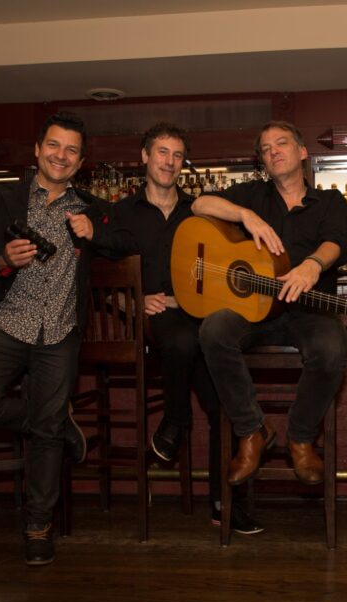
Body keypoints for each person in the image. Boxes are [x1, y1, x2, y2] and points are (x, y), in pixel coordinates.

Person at [0, 112, 131, 566]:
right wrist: (2, 258)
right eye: (54, 146)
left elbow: (125, 242)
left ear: (81, 160)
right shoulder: (1, 199)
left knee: (46, 434)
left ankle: (38, 526)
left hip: (59, 329)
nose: (61, 155)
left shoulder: (91, 207)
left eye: (71, 150)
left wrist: (98, 233)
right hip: (8, 321)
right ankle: (53, 421)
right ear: (37, 150)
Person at [110, 122, 262, 535]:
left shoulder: (199, 210)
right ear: (144, 156)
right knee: (178, 337)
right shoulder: (122, 213)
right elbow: (98, 271)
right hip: (152, 320)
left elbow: (227, 258)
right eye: (162, 152)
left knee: (222, 404)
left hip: (196, 320)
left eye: (177, 155)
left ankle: (224, 502)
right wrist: (132, 301)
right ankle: (176, 420)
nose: (169, 162)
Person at [193, 120, 347, 492]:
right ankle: (252, 431)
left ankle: (299, 437)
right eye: (265, 148)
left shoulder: (328, 201)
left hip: (309, 310)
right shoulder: (252, 195)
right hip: (256, 309)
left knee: (332, 350)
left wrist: (313, 265)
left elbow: (337, 242)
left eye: (282, 143)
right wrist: (244, 215)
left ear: (302, 152)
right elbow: (199, 204)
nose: (273, 151)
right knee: (213, 331)